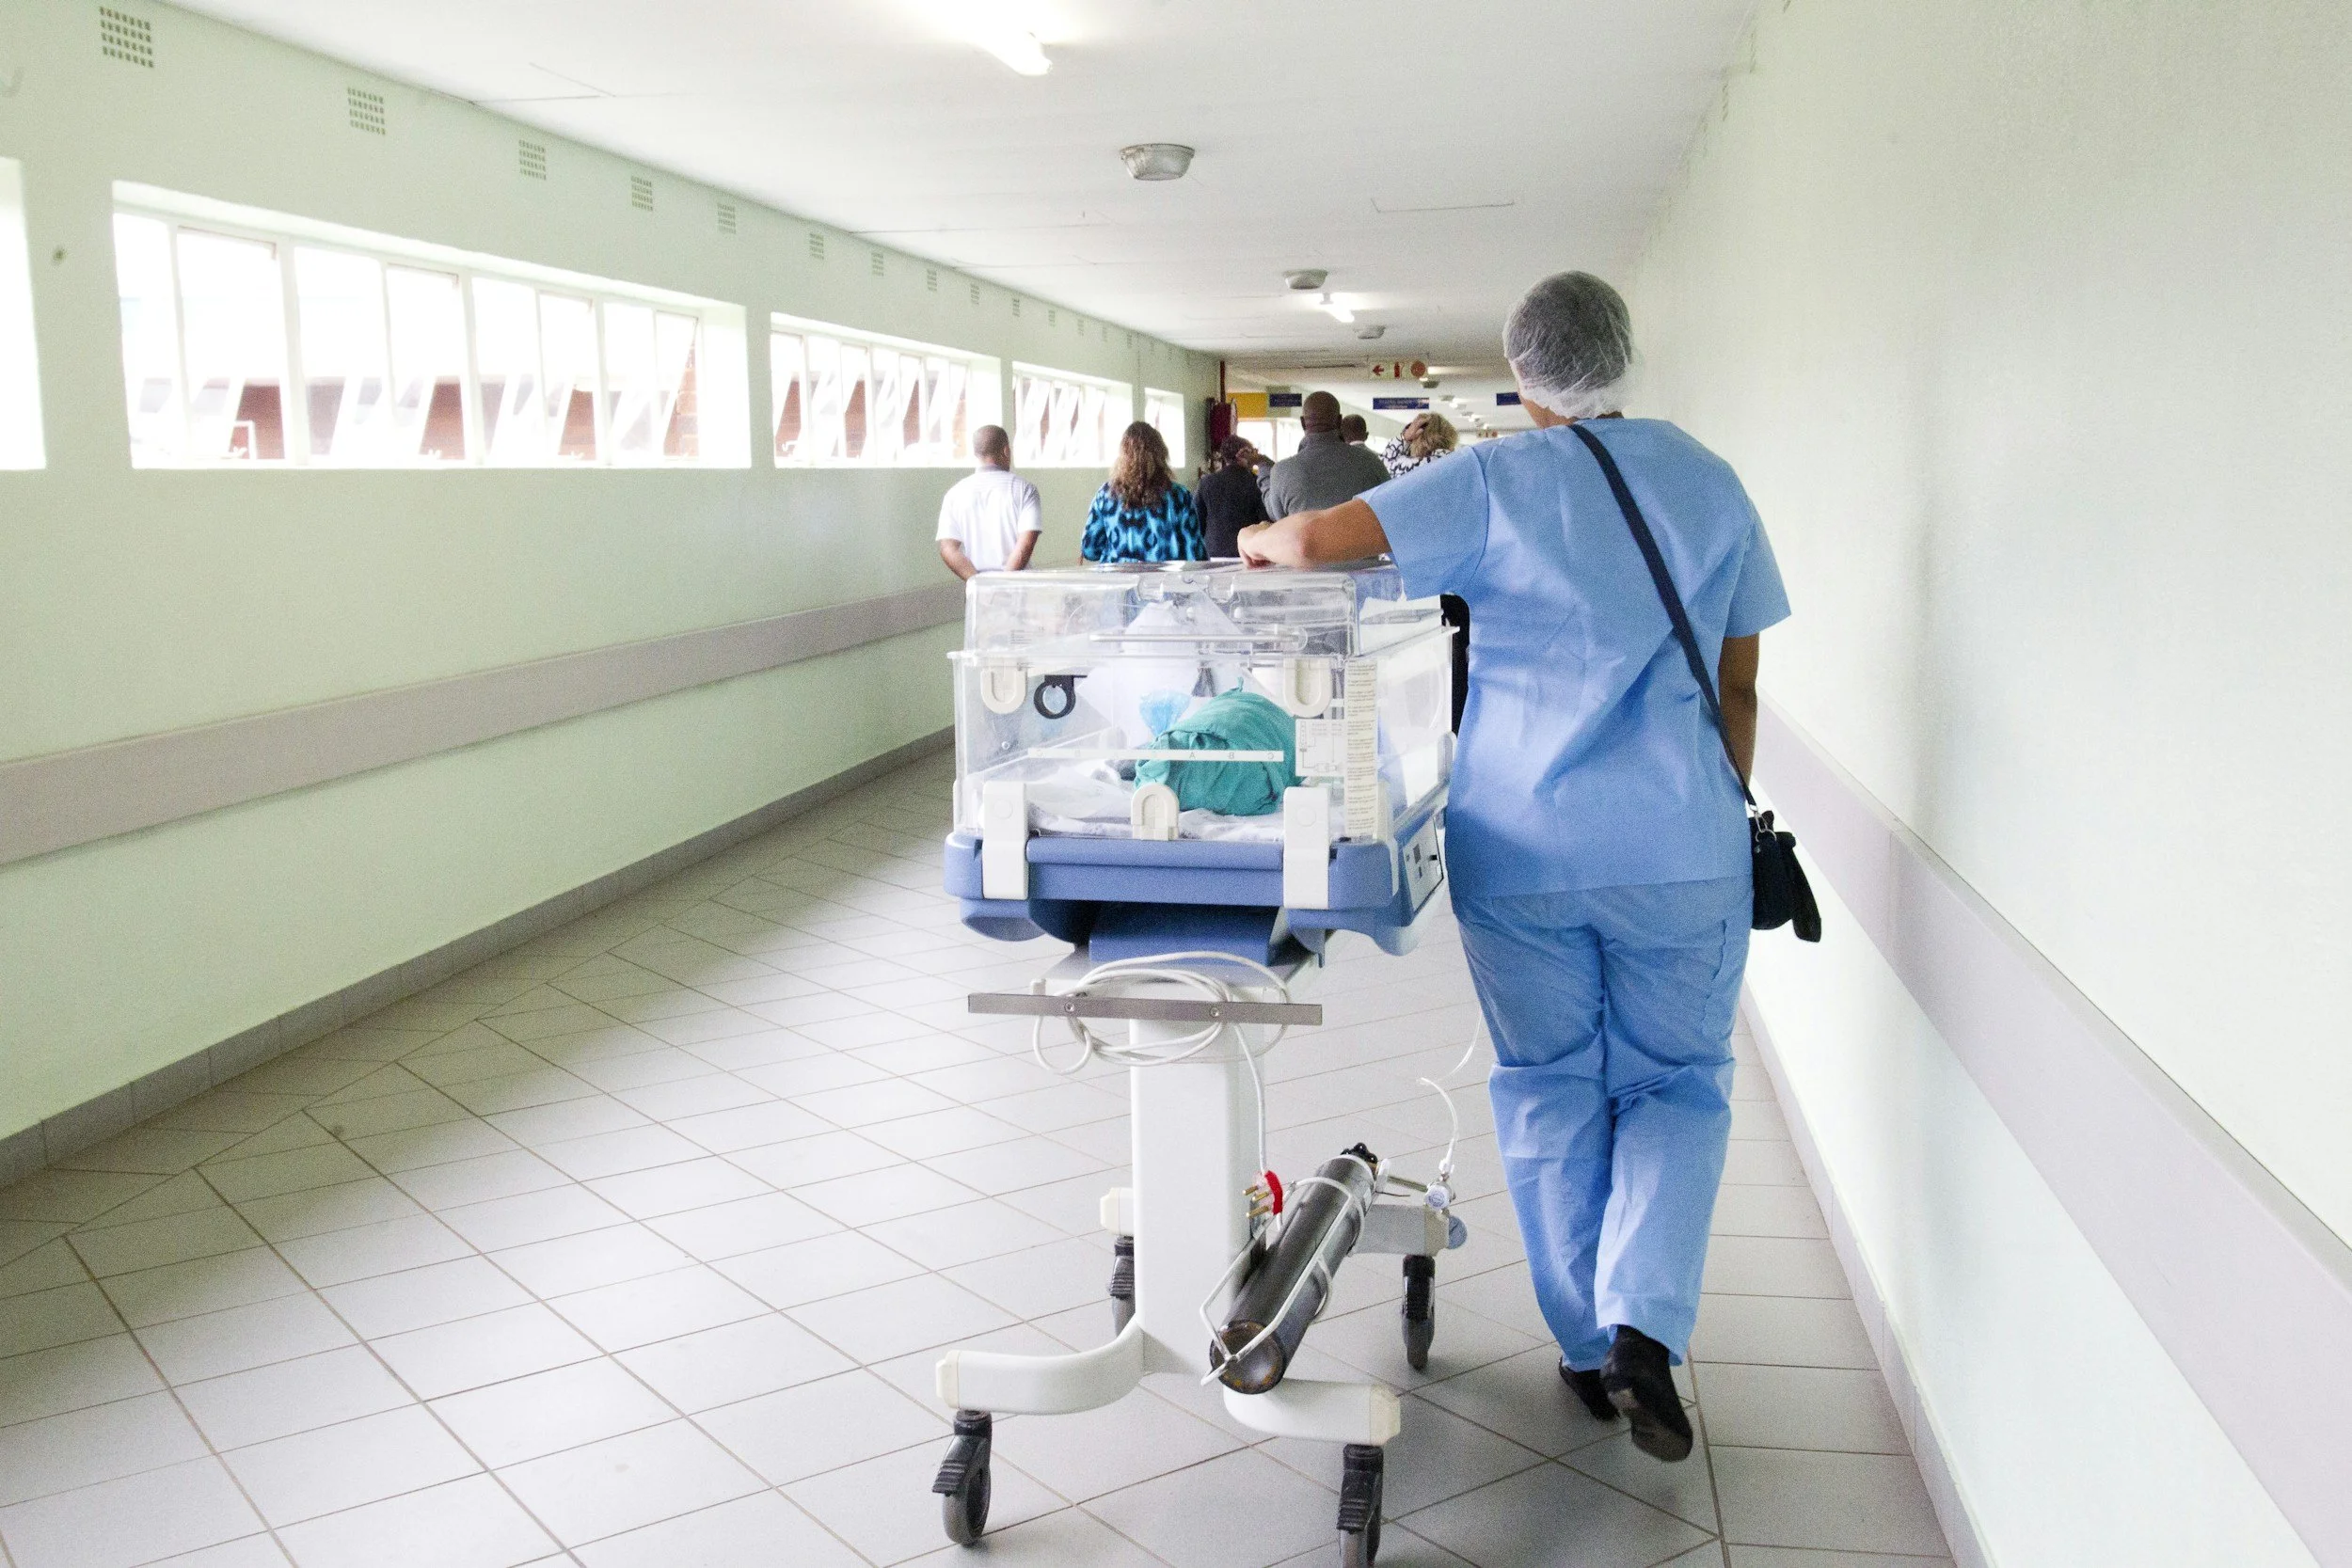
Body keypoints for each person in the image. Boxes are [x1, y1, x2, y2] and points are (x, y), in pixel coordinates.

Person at [1239, 271, 1789, 1465]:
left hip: (1524, 843)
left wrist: (1253, 527)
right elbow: (1738, 687)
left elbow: (1315, 542)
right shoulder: (1710, 480)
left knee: (1549, 1083)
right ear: (1624, 354)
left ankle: (1589, 1350)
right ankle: (1646, 1323)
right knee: (1675, 1082)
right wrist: (1700, 803)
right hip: (1681, 848)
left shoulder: (1493, 479)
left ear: (1524, 372)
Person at [1081, 420, 1205, 563]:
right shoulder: (1179, 496)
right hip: (1163, 583)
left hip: (1117, 582)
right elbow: (1196, 554)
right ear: (1161, 454)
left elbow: (1090, 550)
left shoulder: (1106, 495)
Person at [1262, 390, 1391, 519]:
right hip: (1361, 539)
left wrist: (1263, 469)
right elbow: (1389, 503)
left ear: (1303, 423)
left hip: (1306, 540)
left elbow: (1277, 516)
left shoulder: (1282, 471)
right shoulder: (1370, 462)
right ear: (1340, 421)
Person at [935, 425, 1041, 580]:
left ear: (975, 453)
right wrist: (1002, 584)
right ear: (1006, 451)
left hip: (978, 596)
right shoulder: (1025, 489)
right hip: (1017, 590)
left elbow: (948, 549)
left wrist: (979, 583)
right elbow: (1025, 545)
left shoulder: (954, 494)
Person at [1196, 434, 1272, 558]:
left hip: (1213, 551)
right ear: (1244, 454)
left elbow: (1198, 521)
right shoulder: (1256, 483)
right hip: (1247, 552)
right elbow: (1265, 521)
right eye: (1252, 452)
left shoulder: (1206, 482)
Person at [1382, 411, 1460, 477]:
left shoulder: (1408, 468)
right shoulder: (1459, 467)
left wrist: (1405, 437)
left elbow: (1384, 466)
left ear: (1416, 440)